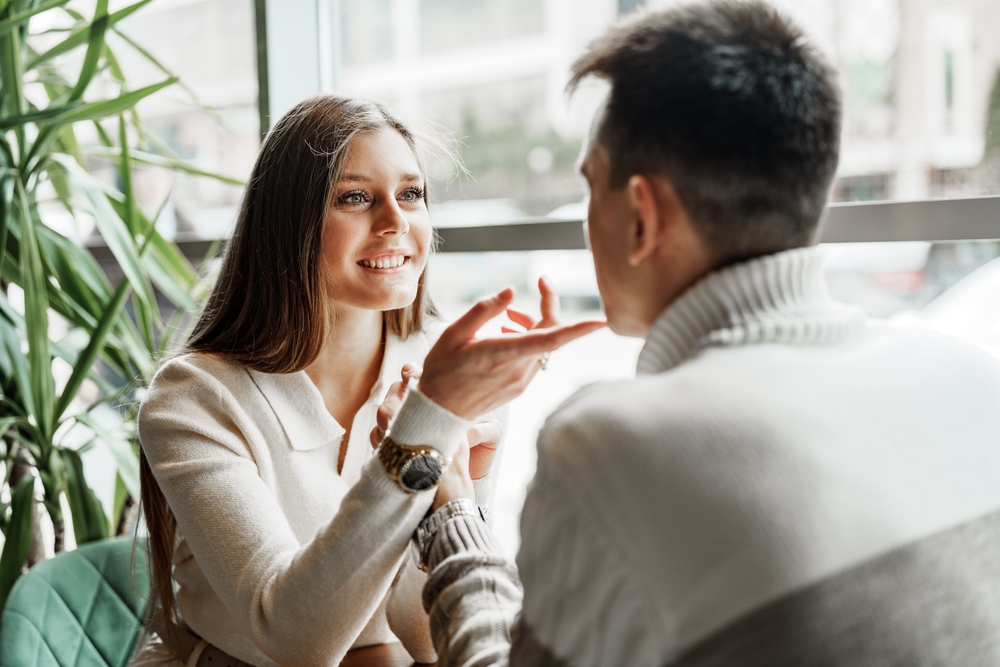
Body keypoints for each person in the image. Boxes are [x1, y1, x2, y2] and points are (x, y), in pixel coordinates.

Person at [375, 2, 1000, 666]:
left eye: (591, 188)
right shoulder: (974, 376)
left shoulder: (608, 443)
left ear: (641, 214)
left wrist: (451, 511)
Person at [132, 96, 603, 667]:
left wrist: (450, 487)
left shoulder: (445, 368)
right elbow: (293, 639)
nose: (396, 222)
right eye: (355, 197)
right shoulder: (192, 399)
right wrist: (416, 444)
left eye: (411, 194)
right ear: (288, 223)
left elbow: (427, 635)